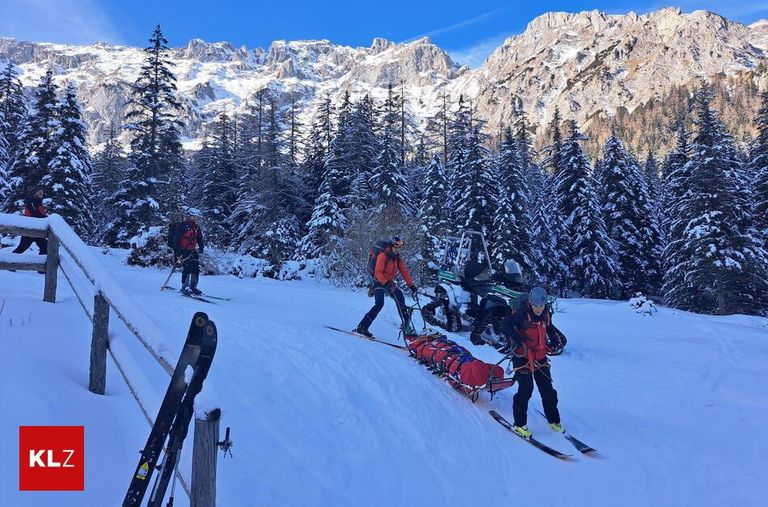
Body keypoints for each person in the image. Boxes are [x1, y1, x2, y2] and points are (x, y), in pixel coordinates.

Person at [499, 286, 562, 438]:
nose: (538, 309)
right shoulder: (521, 315)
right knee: (526, 390)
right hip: (522, 357)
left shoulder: (546, 314)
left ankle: (553, 420)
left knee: (547, 389)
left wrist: (554, 339)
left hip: (540, 357)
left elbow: (549, 327)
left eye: (541, 306)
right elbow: (505, 324)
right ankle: (519, 424)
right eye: (535, 306)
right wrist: (518, 340)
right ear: (530, 303)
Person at [354, 236, 417, 337]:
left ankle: (407, 327)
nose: (398, 249)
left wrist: (411, 285)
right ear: (391, 246)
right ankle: (362, 327)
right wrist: (385, 283)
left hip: (389, 282)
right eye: (396, 247)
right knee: (379, 303)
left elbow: (404, 272)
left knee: (399, 296)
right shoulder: (383, 255)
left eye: (400, 247)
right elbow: (378, 273)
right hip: (379, 281)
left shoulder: (397, 258)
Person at [171, 211, 205, 296]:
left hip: (192, 250)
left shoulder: (196, 227)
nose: (194, 219)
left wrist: (201, 247)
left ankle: (193, 286)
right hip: (183, 250)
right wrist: (178, 251)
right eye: (193, 217)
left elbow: (200, 238)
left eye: (196, 218)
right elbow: (176, 240)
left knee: (196, 269)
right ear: (188, 217)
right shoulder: (182, 226)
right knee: (187, 268)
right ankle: (184, 287)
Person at [12, 188, 49, 256]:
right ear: (34, 193)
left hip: (36, 229)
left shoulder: (38, 202)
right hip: (30, 228)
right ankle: (7, 261)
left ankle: (41, 263)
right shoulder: (31, 201)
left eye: (42, 192)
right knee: (22, 248)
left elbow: (39, 214)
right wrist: (47, 219)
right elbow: (35, 214)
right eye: (39, 192)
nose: (41, 193)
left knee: (44, 247)